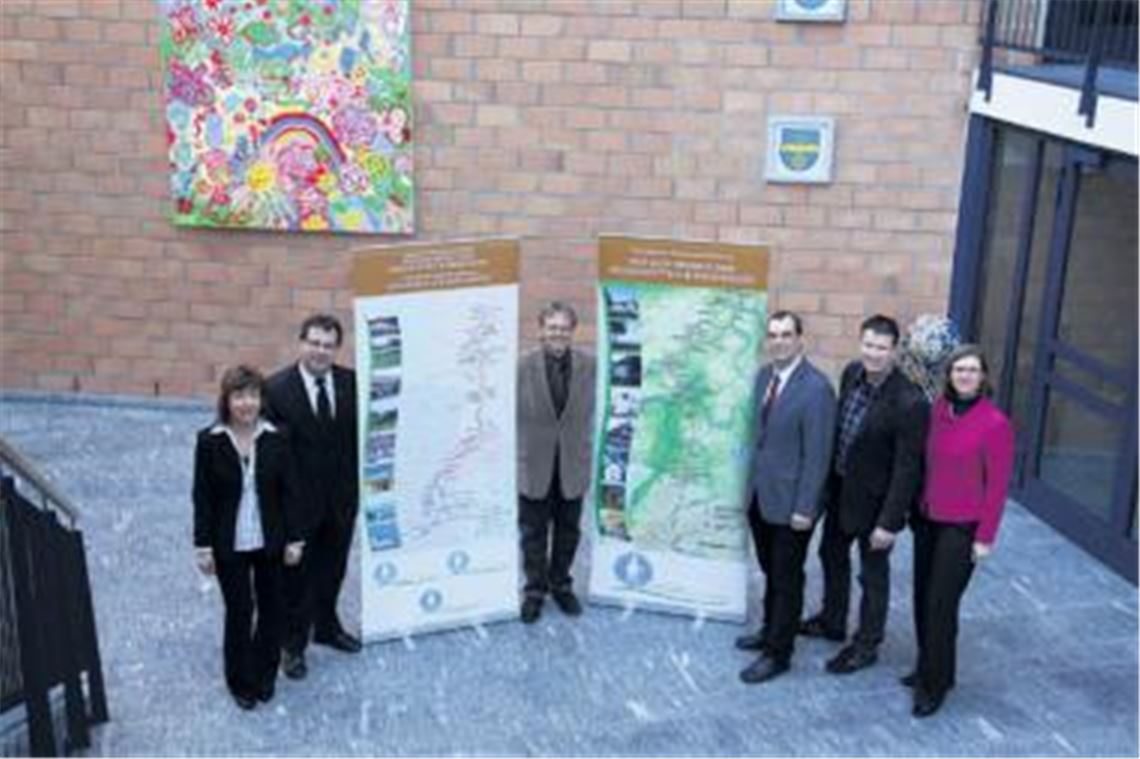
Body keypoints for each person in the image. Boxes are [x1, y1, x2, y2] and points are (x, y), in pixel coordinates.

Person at [800, 314, 928, 674]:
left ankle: (867, 644)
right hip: (841, 487)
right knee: (830, 552)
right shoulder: (852, 373)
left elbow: (908, 469)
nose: (873, 353)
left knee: (872, 574)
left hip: (876, 501)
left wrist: (889, 523)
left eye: (882, 348)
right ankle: (833, 620)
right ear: (861, 343)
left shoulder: (910, 401)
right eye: (869, 345)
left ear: (894, 351)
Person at [905, 345, 1014, 717]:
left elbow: (997, 486)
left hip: (962, 527)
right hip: (928, 519)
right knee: (922, 597)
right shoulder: (939, 411)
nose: (965, 375)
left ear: (983, 377)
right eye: (958, 369)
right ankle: (933, 666)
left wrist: (985, 537)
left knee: (941, 605)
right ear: (949, 375)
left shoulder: (995, 423)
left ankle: (932, 687)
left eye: (972, 370)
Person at [193, 365, 304, 710]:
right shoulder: (209, 441)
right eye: (238, 395)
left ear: (261, 400)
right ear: (226, 400)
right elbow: (202, 496)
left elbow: (291, 492)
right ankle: (239, 680)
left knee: (272, 611)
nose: (246, 403)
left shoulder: (278, 436)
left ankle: (263, 675)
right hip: (229, 543)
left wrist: (295, 539)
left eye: (252, 395)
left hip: (270, 540)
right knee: (240, 612)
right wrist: (203, 546)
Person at [736, 311, 837, 684]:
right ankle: (769, 628)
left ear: (800, 340)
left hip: (793, 504)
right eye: (773, 334)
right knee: (770, 570)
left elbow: (818, 455)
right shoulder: (764, 377)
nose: (779, 341)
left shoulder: (817, 389)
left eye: (786, 334)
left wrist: (805, 508)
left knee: (787, 575)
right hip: (761, 497)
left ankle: (778, 653)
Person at [265, 313, 361, 679]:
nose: (321, 351)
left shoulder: (352, 383)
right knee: (296, 577)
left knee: (333, 567)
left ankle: (326, 626)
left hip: (340, 499)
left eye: (328, 345)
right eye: (315, 343)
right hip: (297, 505)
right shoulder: (275, 390)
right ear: (301, 343)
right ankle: (292, 644)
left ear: (337, 348)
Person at [517, 301, 596, 624]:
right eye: (552, 327)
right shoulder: (522, 367)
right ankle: (534, 591)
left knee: (568, 532)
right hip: (534, 464)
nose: (558, 333)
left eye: (564, 328)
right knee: (533, 533)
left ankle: (561, 585)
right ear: (541, 330)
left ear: (572, 331)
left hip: (572, 465)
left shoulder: (590, 366)